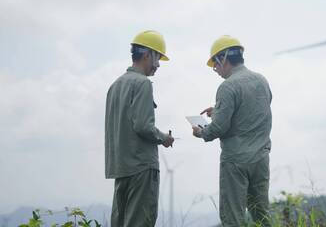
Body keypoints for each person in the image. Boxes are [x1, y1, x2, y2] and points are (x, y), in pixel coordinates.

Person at [192, 35, 272, 227]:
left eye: (215, 65)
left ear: (223, 58)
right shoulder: (261, 80)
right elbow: (253, 110)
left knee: (232, 217)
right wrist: (220, 110)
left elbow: (218, 128)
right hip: (261, 159)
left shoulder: (227, 87)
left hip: (236, 162)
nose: (216, 70)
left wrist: (201, 131)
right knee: (261, 214)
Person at [105, 30, 175, 227]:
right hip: (141, 168)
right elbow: (143, 126)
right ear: (147, 55)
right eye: (158, 58)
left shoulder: (115, 86)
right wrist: (164, 138)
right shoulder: (143, 84)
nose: (158, 65)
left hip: (120, 168)